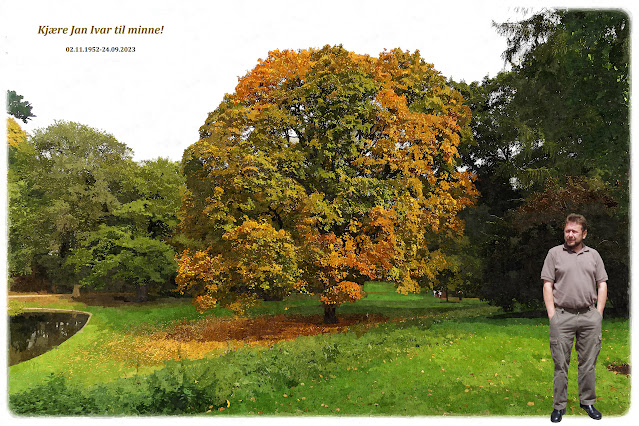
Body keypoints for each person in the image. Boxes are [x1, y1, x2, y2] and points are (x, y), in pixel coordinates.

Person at [541, 214, 608, 422]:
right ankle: (559, 406)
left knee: (587, 363)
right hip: (562, 316)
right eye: (567, 231)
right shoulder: (554, 254)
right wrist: (552, 316)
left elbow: (602, 284)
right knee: (561, 364)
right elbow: (547, 285)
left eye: (574, 231)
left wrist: (598, 314)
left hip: (589, 317)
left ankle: (587, 401)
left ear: (584, 233)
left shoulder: (594, 255)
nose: (570, 235)